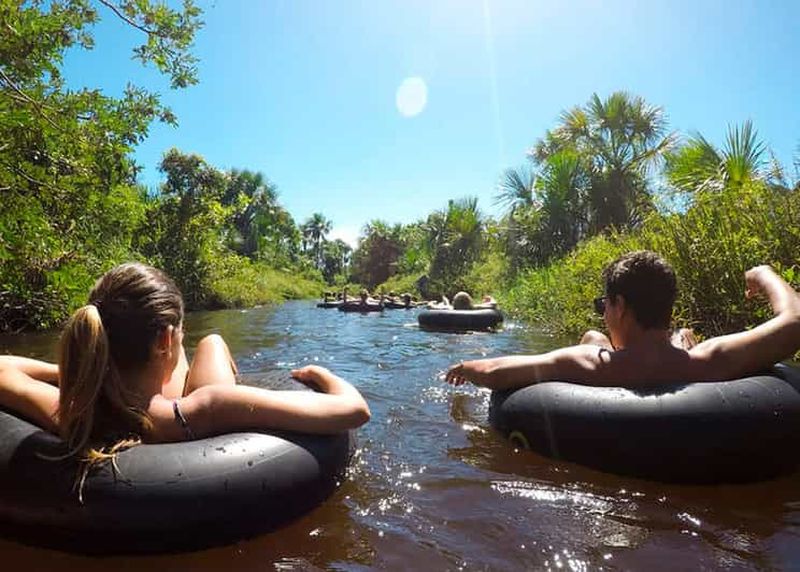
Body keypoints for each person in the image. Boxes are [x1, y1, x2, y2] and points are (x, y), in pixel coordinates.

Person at [0, 263, 371, 463]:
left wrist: (82, 374)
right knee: (212, 342)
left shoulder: (69, 413)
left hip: (118, 389)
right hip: (185, 421)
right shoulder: (209, 406)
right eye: (179, 333)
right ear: (165, 340)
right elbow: (354, 410)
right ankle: (206, 346)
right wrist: (321, 375)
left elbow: (4, 368)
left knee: (208, 341)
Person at [445, 251, 800, 390]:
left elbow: (498, 371)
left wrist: (466, 366)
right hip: (677, 360)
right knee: (682, 336)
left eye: (605, 303)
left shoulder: (587, 363)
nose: (603, 311)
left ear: (621, 306)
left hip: (615, 367)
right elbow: (795, 320)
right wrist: (764, 274)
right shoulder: (711, 358)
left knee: (591, 337)